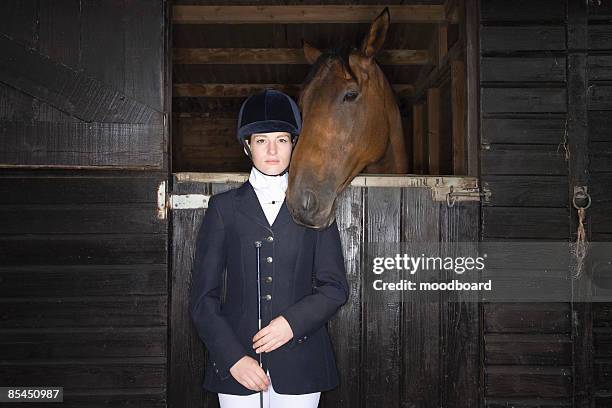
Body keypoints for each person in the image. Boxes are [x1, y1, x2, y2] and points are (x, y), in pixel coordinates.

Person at [190, 89, 349, 408]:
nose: (272, 150)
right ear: (248, 146)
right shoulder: (223, 209)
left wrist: (291, 324)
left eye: (281, 139)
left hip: (302, 363)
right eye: (262, 140)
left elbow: (335, 288)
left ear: (294, 144)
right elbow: (202, 299)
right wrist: (233, 357)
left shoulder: (316, 206)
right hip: (239, 366)